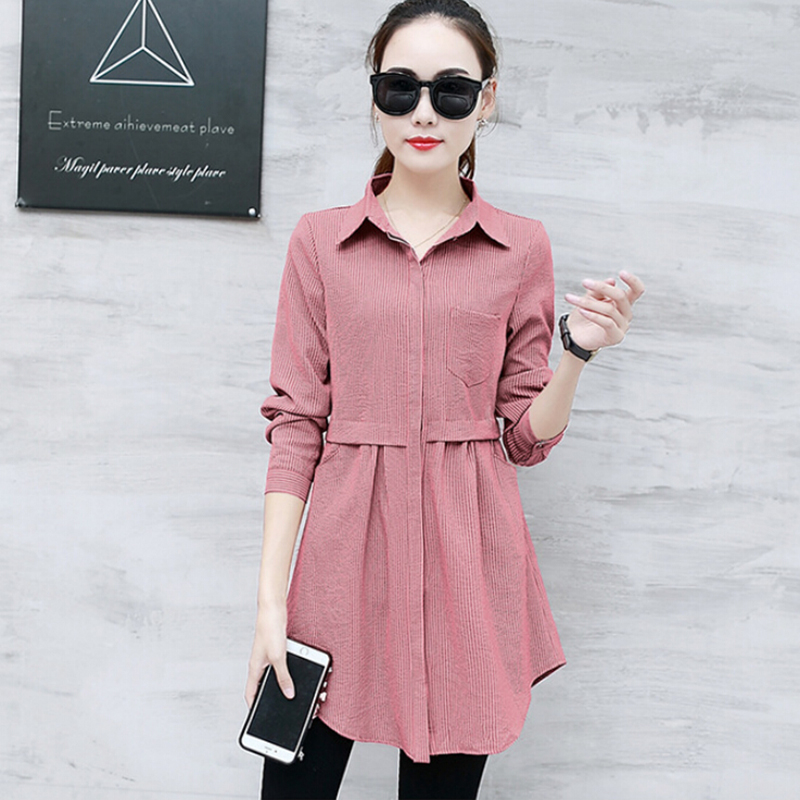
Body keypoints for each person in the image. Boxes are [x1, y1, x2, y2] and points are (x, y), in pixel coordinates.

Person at [245, 1, 645, 797]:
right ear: (374, 96)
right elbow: (296, 423)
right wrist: (269, 603)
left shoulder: (520, 247)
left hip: (470, 557)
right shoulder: (320, 242)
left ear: (486, 100)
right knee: (295, 784)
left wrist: (576, 354)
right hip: (340, 560)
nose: (423, 113)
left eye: (450, 91)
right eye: (400, 88)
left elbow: (525, 436)